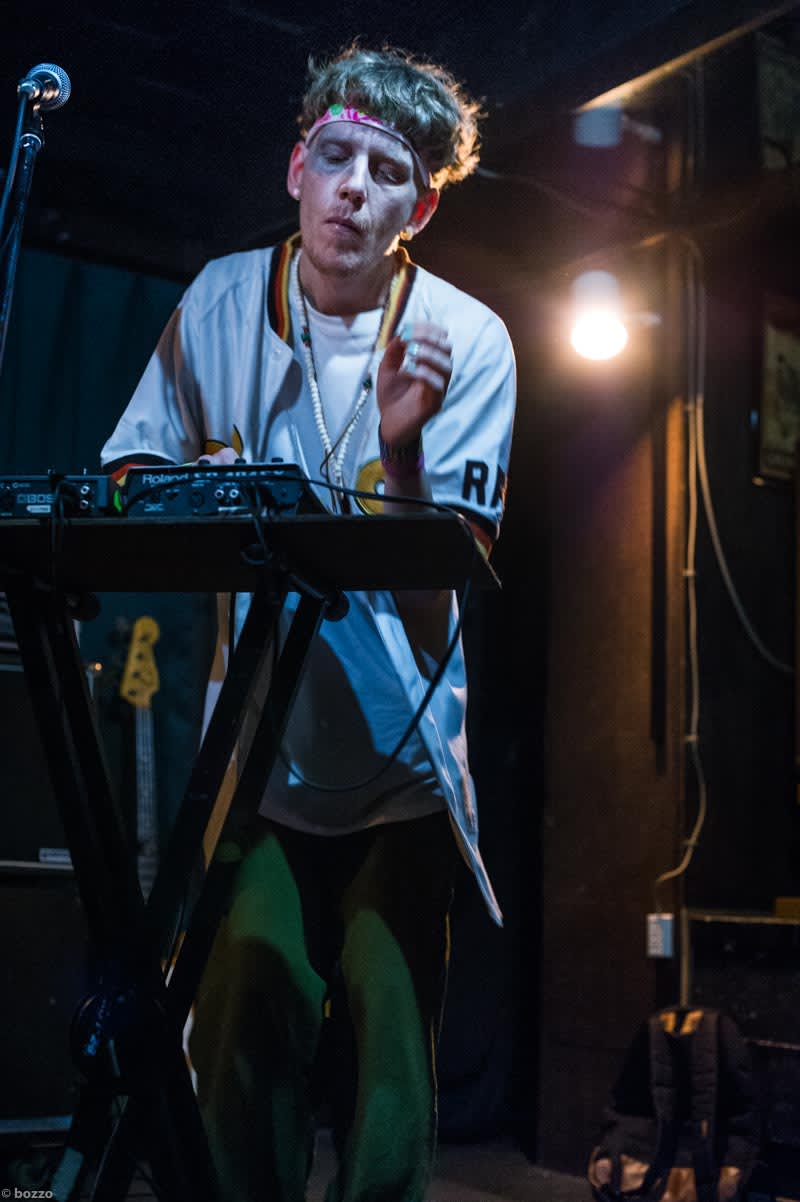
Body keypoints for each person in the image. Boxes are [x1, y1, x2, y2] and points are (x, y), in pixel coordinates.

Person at [100, 43, 516, 1202]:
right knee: (241, 1026)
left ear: (417, 208)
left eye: (385, 173)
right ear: (296, 168)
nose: (350, 189)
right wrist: (197, 494)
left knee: (390, 1085)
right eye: (333, 157)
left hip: (400, 767)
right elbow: (129, 474)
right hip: (258, 760)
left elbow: (436, 607)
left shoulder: (464, 337)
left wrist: (399, 452)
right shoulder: (223, 300)